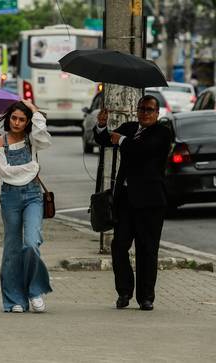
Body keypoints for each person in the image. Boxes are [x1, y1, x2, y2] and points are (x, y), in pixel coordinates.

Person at [94, 95, 172, 311]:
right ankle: (124, 291)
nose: (145, 113)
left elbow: (142, 150)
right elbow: (104, 140)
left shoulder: (162, 133)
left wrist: (120, 140)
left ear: (157, 113)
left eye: (149, 110)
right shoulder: (129, 127)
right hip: (126, 200)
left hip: (151, 201)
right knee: (119, 246)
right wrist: (101, 126)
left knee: (147, 249)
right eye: (142, 109)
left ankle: (146, 297)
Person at [0, 100, 53, 313]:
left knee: (31, 242)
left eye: (22, 119)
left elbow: (44, 139)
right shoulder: (0, 142)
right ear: (8, 118)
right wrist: (31, 167)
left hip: (33, 196)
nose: (17, 123)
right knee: (12, 249)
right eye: (14, 118)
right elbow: (4, 172)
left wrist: (36, 111)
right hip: (10, 198)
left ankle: (35, 291)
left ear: (27, 122)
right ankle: (14, 299)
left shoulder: (32, 139)